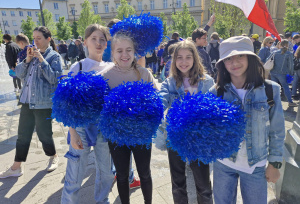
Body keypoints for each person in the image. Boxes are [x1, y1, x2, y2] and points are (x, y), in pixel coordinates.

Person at [210, 36, 285, 204]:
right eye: (228, 58)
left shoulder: (270, 90)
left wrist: (274, 163)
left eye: (240, 56)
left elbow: (277, 131)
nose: (234, 62)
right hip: (223, 163)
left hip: (255, 166)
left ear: (250, 58)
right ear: (222, 63)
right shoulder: (216, 92)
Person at [61, 24, 115, 204]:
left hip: (104, 128)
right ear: (85, 42)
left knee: (106, 172)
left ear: (107, 44)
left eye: (102, 40)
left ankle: (102, 200)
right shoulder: (78, 67)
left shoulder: (112, 67)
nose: (98, 43)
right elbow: (66, 103)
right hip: (81, 127)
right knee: (75, 174)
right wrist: (72, 131)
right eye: (94, 39)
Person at [101, 32, 157, 204]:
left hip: (141, 135)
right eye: (119, 51)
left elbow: (156, 102)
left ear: (134, 52)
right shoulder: (105, 76)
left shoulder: (144, 74)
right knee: (122, 175)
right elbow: (101, 108)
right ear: (113, 53)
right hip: (117, 137)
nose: (124, 55)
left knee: (145, 173)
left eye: (128, 50)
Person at [0, 26, 62, 179]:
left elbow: (55, 79)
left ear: (48, 39)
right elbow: (19, 74)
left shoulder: (53, 57)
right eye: (34, 38)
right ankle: (16, 167)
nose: (35, 41)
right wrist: (27, 60)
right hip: (27, 101)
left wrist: (41, 59)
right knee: (23, 135)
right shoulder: (29, 54)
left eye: (39, 38)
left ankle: (53, 156)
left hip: (43, 103)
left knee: (44, 134)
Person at [159, 40, 214, 204]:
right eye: (179, 58)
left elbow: (214, 107)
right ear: (174, 61)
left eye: (188, 57)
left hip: (199, 139)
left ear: (195, 59)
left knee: (203, 183)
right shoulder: (169, 82)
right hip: (175, 136)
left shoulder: (207, 81)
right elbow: (161, 100)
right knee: (177, 183)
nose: (183, 62)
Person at [102, 18, 141, 189]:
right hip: (114, 118)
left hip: (128, 121)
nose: (124, 53)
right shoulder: (107, 67)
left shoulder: (112, 45)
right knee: (118, 150)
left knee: (119, 151)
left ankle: (120, 174)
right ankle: (123, 175)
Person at [268, 39, 297, 107]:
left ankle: (272, 102)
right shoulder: (289, 53)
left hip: (273, 72)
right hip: (282, 73)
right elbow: (290, 65)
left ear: (280, 45)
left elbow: (268, 60)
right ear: (287, 45)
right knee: (285, 87)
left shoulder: (275, 52)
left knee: (274, 88)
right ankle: (290, 102)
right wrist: (291, 73)